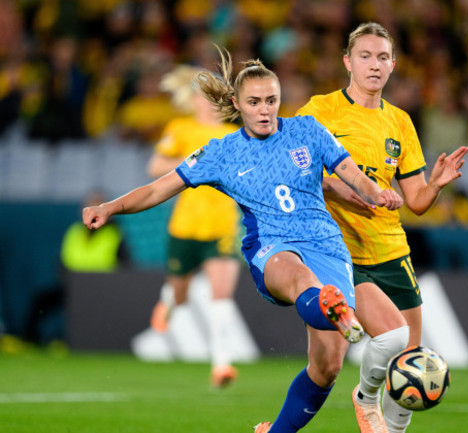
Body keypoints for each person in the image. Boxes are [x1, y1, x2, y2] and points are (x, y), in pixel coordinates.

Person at [82, 46, 409, 433]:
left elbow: (352, 175)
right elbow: (158, 189)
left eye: (271, 100)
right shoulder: (221, 152)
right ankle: (329, 307)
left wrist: (378, 194)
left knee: (327, 368)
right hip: (272, 247)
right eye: (254, 102)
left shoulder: (307, 131)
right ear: (237, 103)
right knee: (300, 278)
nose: (265, 109)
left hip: (325, 244)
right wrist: (111, 207)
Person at [297, 22, 468, 433]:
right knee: (372, 348)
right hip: (341, 250)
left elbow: (417, 202)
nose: (374, 65)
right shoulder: (320, 110)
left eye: (382, 58)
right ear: (348, 62)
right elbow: (298, 172)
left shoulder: (401, 123)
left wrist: (436, 185)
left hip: (391, 249)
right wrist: (344, 192)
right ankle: (363, 396)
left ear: (393, 65)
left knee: (412, 365)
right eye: (365, 56)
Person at [145, 64, 242, 388]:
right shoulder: (181, 128)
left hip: (222, 225)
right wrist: (190, 164)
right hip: (185, 226)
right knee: (181, 293)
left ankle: (221, 364)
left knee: (221, 294)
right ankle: (169, 301)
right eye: (202, 96)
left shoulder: (234, 136)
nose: (207, 102)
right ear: (194, 99)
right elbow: (155, 165)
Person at [61, 190, 127, 272]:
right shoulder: (74, 230)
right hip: (75, 279)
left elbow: (121, 264)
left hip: (104, 280)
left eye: (98, 206)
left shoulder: (114, 232)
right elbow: (65, 261)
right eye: (91, 206)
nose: (94, 211)